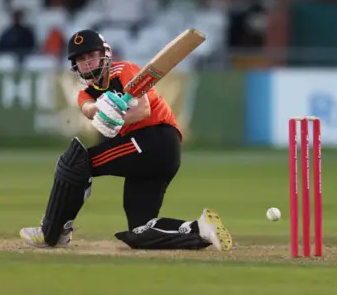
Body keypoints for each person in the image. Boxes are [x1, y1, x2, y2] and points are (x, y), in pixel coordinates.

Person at [19, 29, 233, 251]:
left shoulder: (124, 70)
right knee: (140, 231)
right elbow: (89, 109)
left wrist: (117, 119)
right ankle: (200, 229)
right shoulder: (86, 94)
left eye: (91, 55)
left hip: (156, 139)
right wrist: (102, 111)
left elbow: (143, 110)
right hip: (148, 155)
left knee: (75, 162)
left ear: (105, 54)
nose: (87, 62)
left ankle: (53, 232)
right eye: (81, 59)